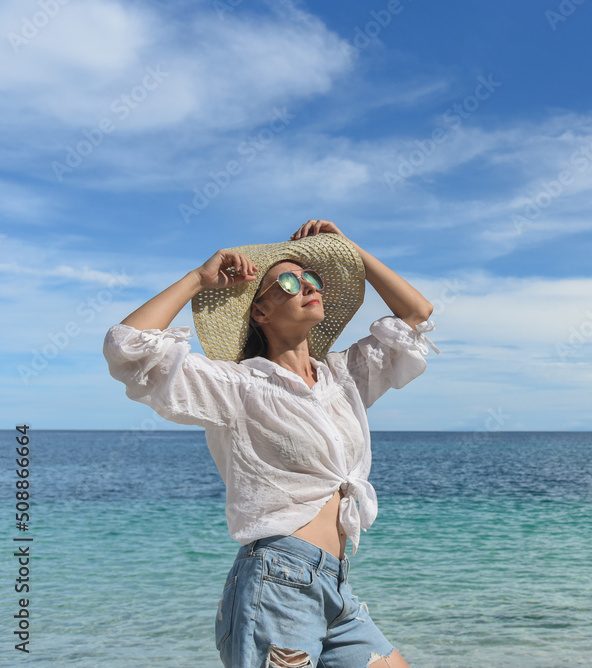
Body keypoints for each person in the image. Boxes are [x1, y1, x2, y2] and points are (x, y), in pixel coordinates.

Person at [102, 219, 440, 668]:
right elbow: (128, 349)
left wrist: (348, 249)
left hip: (334, 584)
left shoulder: (342, 378)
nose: (307, 286)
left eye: (312, 278)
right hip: (277, 579)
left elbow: (417, 314)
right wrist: (197, 280)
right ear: (259, 312)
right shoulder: (238, 386)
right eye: (288, 280)